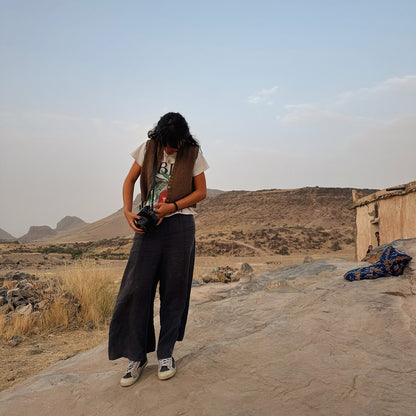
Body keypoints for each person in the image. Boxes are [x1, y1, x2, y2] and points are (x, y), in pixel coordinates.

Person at [108, 112, 209, 387]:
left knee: (174, 291)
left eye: (174, 145)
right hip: (148, 227)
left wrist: (173, 207)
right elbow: (129, 180)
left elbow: (201, 192)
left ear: (183, 139)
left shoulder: (193, 152)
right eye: (166, 143)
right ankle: (136, 356)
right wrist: (128, 213)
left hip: (181, 227)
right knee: (136, 290)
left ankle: (166, 355)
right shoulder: (148, 147)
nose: (169, 149)